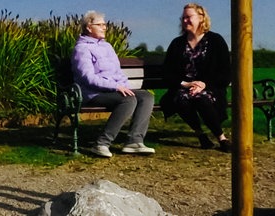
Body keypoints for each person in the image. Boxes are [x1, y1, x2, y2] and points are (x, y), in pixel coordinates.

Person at [71, 10, 155, 158]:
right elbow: (88, 78)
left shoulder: (107, 47)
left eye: (105, 24)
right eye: (100, 24)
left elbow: (118, 73)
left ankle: (134, 142)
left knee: (146, 96)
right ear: (89, 27)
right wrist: (115, 87)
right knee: (128, 100)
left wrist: (124, 86)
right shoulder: (82, 49)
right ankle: (101, 144)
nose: (104, 27)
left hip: (113, 91)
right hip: (94, 93)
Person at [159, 3, 232, 152]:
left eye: (189, 17)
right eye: (183, 18)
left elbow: (225, 72)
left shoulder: (216, 41)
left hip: (210, 88)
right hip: (183, 88)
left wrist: (203, 85)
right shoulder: (177, 44)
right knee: (181, 98)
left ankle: (221, 138)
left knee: (201, 98)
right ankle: (200, 135)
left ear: (201, 18)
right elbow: (167, 73)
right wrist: (186, 84)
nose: (185, 20)